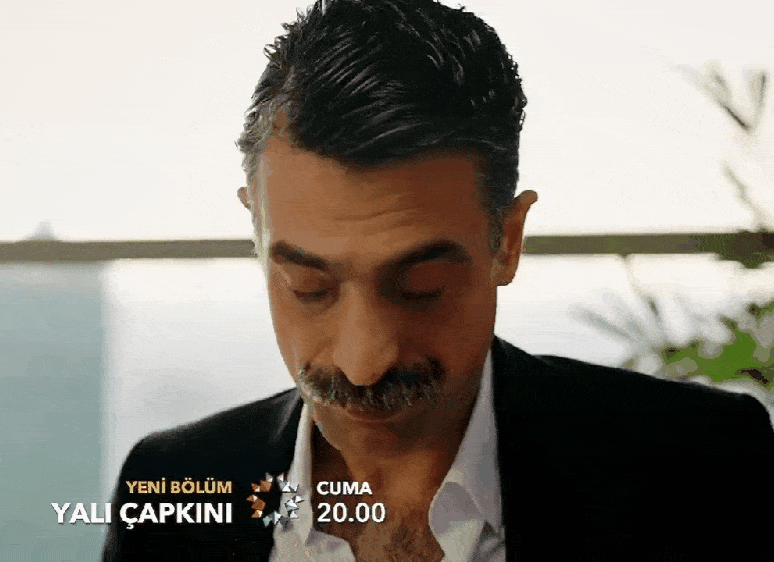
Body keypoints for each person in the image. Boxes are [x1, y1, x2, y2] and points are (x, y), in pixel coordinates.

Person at [101, 0, 774, 560]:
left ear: (506, 241)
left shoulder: (701, 465)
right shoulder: (169, 486)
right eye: (309, 286)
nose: (363, 363)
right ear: (257, 232)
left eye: (420, 286)